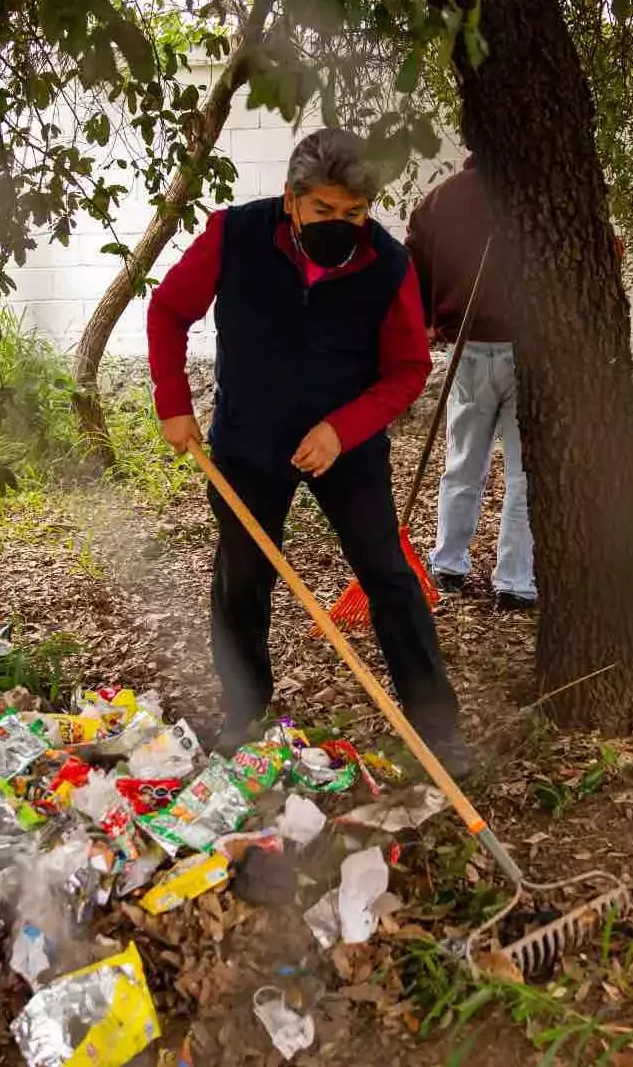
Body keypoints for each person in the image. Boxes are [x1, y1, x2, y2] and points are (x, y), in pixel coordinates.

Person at [147, 128, 474, 777]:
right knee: (243, 578)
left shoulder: (387, 263)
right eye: (325, 211)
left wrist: (342, 429)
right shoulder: (233, 236)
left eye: (354, 213)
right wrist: (172, 401)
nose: (341, 225)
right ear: (292, 201)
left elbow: (408, 368)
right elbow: (168, 310)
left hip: (343, 449)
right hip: (247, 442)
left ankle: (437, 728)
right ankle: (243, 713)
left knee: (387, 574)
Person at [406, 155, 535, 611]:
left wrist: (424, 318)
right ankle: (515, 582)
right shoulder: (538, 191)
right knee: (524, 472)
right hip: (526, 349)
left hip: (469, 347)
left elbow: (412, 253)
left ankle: (449, 564)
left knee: (464, 460)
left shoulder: (442, 198)